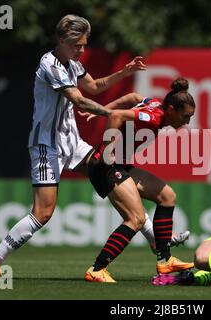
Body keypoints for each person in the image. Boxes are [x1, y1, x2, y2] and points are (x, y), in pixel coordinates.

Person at [0, 14, 178, 280]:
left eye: (85, 45)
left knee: (113, 174)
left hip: (72, 142)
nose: (82, 50)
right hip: (46, 146)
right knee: (43, 213)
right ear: (62, 40)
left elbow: (93, 86)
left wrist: (124, 71)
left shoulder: (72, 63)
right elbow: (80, 100)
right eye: (78, 45)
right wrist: (112, 114)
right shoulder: (49, 64)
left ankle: (157, 242)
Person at [83, 77, 197, 283]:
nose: (187, 122)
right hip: (106, 167)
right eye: (185, 116)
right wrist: (106, 149)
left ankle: (165, 260)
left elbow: (132, 97)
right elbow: (117, 115)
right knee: (136, 219)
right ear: (171, 109)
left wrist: (101, 109)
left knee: (167, 196)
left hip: (121, 165)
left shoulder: (155, 105)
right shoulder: (152, 118)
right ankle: (97, 269)